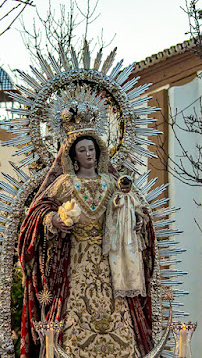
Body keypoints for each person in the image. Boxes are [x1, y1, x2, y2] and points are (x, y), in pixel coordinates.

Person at [18, 131, 155, 358]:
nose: (88, 154)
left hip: (111, 262)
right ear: (74, 156)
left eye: (91, 149)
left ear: (99, 151)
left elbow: (132, 207)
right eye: (82, 150)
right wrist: (54, 219)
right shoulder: (65, 183)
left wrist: (138, 219)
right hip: (76, 260)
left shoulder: (112, 182)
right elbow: (40, 209)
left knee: (120, 316)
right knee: (73, 318)